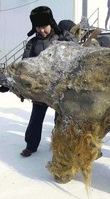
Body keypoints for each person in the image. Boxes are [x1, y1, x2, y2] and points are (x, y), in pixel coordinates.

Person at [20, 6, 78, 157]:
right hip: (41, 88)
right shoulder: (32, 43)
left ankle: (60, 145)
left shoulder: (63, 37)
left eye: (44, 27)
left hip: (61, 88)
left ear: (51, 23)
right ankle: (31, 145)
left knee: (60, 119)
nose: (41, 31)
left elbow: (77, 54)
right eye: (38, 27)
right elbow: (24, 65)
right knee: (36, 119)